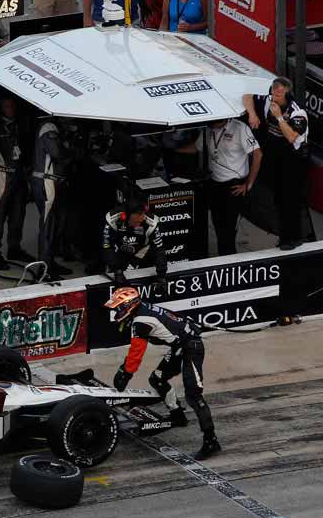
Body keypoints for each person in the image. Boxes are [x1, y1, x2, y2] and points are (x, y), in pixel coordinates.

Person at [105, 287, 221, 460]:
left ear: (129, 305)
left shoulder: (141, 321)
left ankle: (211, 441)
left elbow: (136, 353)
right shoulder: (144, 308)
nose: (116, 312)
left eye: (118, 308)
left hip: (191, 348)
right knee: (157, 379)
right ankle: (177, 415)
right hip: (179, 347)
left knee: (194, 395)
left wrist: (125, 373)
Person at [243, 77, 310, 250]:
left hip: (294, 159)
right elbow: (247, 96)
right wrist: (252, 114)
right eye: (273, 92)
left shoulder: (297, 113)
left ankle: (295, 238)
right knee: (279, 199)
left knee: (291, 200)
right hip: (276, 156)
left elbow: (291, 137)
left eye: (279, 94)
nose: (275, 96)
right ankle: (284, 235)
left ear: (287, 93)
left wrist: (279, 117)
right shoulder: (269, 100)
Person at [202, 119, 263, 256]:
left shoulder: (240, 128)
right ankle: (223, 257)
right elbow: (197, 146)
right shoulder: (208, 129)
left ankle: (230, 260)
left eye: (215, 123)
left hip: (234, 186)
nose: (212, 125)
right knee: (218, 226)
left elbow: (258, 154)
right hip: (215, 184)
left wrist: (249, 184)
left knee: (228, 229)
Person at [0, 97, 32, 272]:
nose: (11, 109)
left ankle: (14, 247)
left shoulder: (20, 124)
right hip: (3, 175)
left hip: (19, 176)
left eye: (12, 105)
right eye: (7, 106)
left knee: (18, 213)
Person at [32, 118, 73, 279]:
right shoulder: (49, 127)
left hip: (51, 181)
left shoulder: (53, 128)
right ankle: (43, 270)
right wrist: (70, 149)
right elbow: (57, 154)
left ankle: (49, 262)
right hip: (46, 181)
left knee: (53, 225)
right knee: (47, 226)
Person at [102, 197, 167, 291]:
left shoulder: (152, 223)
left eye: (144, 213)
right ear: (127, 215)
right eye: (139, 214)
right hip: (118, 252)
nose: (143, 217)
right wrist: (117, 271)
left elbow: (159, 249)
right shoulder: (112, 218)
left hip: (141, 253)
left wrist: (162, 276)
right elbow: (107, 246)